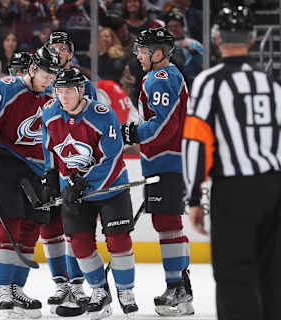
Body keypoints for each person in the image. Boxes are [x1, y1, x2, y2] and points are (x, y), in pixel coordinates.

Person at [183, 3, 281, 320]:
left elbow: (196, 142)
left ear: (216, 38)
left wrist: (195, 196)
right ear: (252, 38)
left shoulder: (209, 83)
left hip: (234, 192)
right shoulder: (272, 85)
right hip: (275, 188)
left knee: (234, 274)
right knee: (273, 274)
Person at [0, 46, 63, 319]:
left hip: (36, 170)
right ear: (33, 69)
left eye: (52, 75)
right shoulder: (6, 87)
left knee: (31, 228)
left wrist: (51, 171)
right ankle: (2, 290)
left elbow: (50, 140)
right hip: (6, 163)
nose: (48, 80)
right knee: (8, 224)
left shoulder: (49, 100)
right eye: (45, 73)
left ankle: (16, 288)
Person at [42, 67, 138, 319]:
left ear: (81, 91)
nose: (63, 96)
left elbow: (112, 157)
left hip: (110, 188)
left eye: (69, 91)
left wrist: (82, 182)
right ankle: (99, 291)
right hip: (75, 192)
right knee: (80, 245)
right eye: (59, 91)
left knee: (118, 242)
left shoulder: (102, 114)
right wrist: (51, 177)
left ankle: (126, 291)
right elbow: (49, 149)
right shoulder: (50, 113)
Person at [120, 27, 194, 316]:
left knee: (167, 224)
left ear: (158, 53)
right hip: (168, 161)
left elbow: (164, 127)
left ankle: (176, 287)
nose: (137, 55)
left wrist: (131, 132)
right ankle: (182, 290)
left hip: (167, 161)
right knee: (169, 225)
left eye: (142, 50)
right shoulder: (167, 75)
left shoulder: (159, 78)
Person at [165, 8, 203, 89]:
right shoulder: (162, 46)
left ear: (182, 28)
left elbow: (203, 64)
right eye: (170, 27)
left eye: (176, 26)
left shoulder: (194, 44)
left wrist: (191, 50)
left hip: (192, 86)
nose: (173, 29)